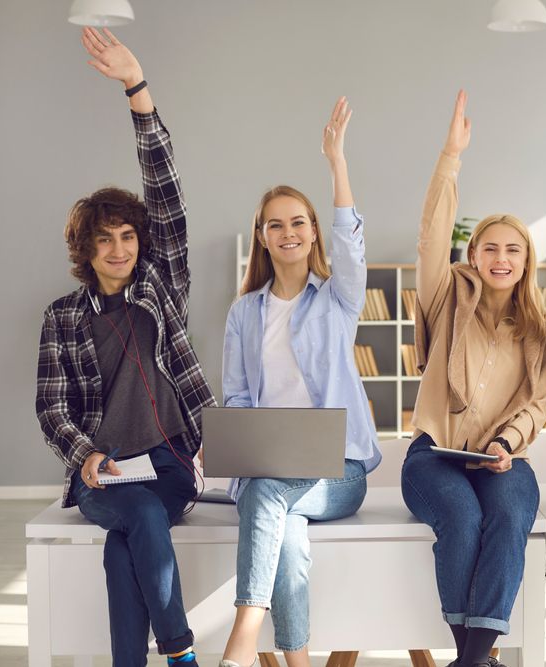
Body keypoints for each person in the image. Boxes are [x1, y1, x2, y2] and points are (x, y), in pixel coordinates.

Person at [35, 28, 215, 667]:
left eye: (128, 236)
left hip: (169, 466)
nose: (120, 248)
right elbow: (53, 411)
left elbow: (166, 193)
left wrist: (138, 89)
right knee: (132, 513)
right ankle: (180, 652)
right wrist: (84, 457)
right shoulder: (62, 318)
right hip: (103, 473)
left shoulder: (160, 289)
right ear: (85, 250)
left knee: (127, 539)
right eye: (105, 239)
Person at [217, 98, 382, 667]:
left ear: (313, 233)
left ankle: (242, 638)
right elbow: (237, 401)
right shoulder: (243, 314)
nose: (288, 232)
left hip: (341, 472)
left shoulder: (338, 300)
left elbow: (351, 244)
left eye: (298, 222)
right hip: (270, 472)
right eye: (275, 224)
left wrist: (336, 161)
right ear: (261, 237)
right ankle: (298, 662)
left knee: (268, 498)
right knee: (283, 529)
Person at [400, 91, 546, 667]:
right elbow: (430, 235)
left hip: (500, 458)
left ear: (525, 260)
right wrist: (451, 157)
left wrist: (505, 444)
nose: (501, 256)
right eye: (490, 246)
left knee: (512, 514)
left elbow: (537, 405)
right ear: (474, 253)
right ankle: (477, 662)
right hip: (433, 456)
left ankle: (471, 660)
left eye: (513, 249)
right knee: (463, 518)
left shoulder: (539, 328)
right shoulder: (446, 297)